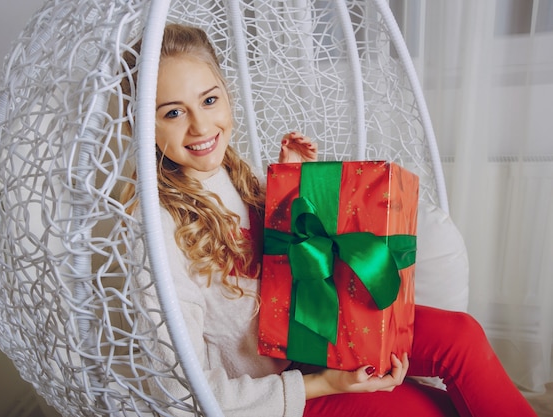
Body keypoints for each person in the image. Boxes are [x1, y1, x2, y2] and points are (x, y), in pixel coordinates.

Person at [120, 23, 537, 417]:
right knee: (432, 409)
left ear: (226, 96)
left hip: (311, 337)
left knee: (459, 337)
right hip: (275, 394)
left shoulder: (231, 174)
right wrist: (324, 384)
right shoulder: (154, 229)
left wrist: (294, 192)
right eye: (173, 113)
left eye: (209, 100)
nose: (200, 125)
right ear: (140, 125)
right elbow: (180, 392)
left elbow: (291, 272)